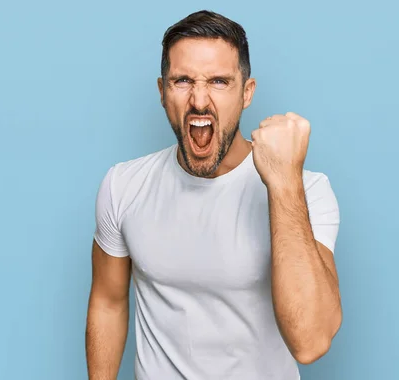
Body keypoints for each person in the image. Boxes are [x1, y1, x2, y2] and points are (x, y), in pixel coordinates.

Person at [85, 9, 342, 380]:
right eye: (183, 81)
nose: (200, 101)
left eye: (219, 82)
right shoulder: (123, 184)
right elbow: (107, 303)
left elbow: (311, 341)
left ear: (247, 93)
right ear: (162, 92)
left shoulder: (307, 191)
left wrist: (284, 183)